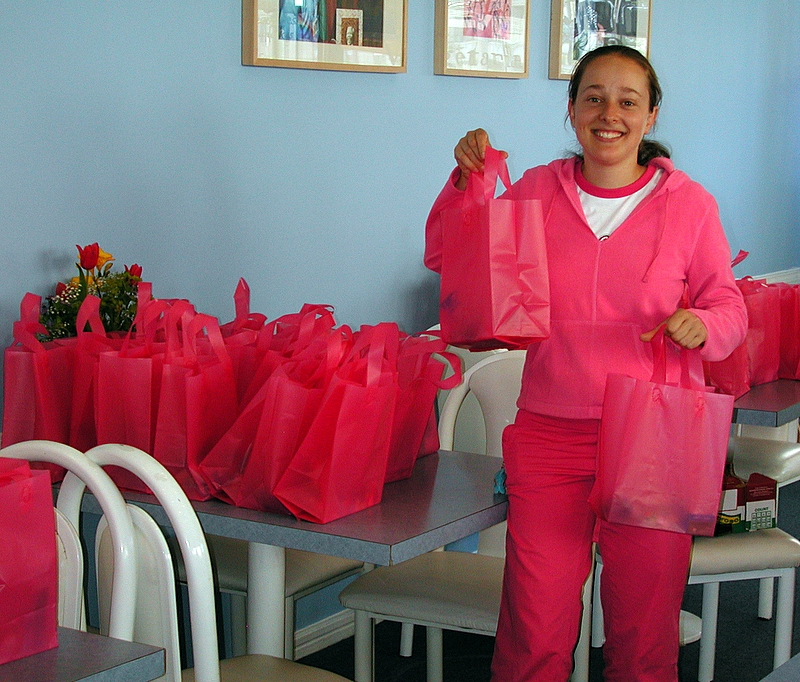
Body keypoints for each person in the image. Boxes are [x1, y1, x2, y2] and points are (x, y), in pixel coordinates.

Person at [424, 45, 748, 682]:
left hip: (655, 436)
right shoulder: (536, 191)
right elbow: (453, 256)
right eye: (593, 98)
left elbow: (729, 308)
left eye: (628, 101)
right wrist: (468, 181)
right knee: (535, 625)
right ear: (571, 109)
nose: (609, 114)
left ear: (650, 116)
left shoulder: (690, 205)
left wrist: (703, 324)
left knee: (643, 633)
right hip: (551, 433)